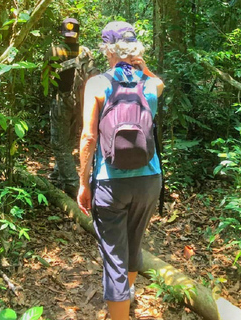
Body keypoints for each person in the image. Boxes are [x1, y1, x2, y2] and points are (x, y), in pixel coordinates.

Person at [77, 21, 164, 320]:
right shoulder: (151, 84)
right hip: (149, 179)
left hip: (109, 182)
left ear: (107, 49)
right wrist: (144, 67)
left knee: (114, 258)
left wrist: (83, 183)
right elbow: (159, 83)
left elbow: (88, 137)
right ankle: (126, 299)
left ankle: (119, 312)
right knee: (134, 244)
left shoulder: (97, 83)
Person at [46, 17, 98, 197]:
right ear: (78, 33)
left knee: (59, 143)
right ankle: (56, 176)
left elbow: (46, 78)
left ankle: (72, 185)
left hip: (61, 101)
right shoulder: (85, 51)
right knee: (67, 142)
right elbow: (93, 77)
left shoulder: (54, 50)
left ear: (62, 32)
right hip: (80, 103)